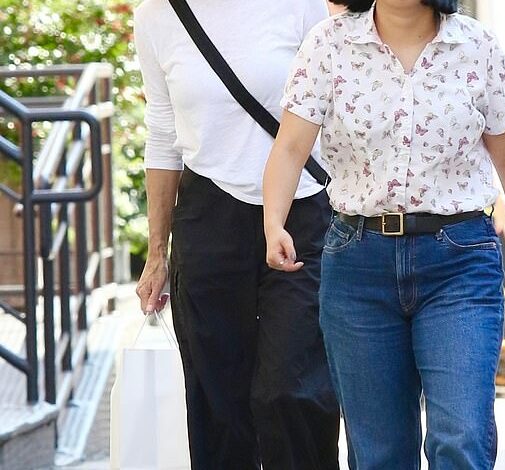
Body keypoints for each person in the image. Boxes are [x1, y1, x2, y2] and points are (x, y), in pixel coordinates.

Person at [263, 0, 505, 468]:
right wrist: (273, 222)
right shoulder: (329, 44)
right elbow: (291, 145)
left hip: (459, 262)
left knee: (461, 438)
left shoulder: (476, 45)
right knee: (380, 454)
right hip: (358, 263)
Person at [133, 1, 340, 468]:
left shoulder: (301, 6)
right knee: (217, 394)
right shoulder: (156, 16)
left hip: (301, 210)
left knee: (295, 388)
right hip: (208, 217)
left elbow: (338, 105)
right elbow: (162, 133)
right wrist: (156, 253)